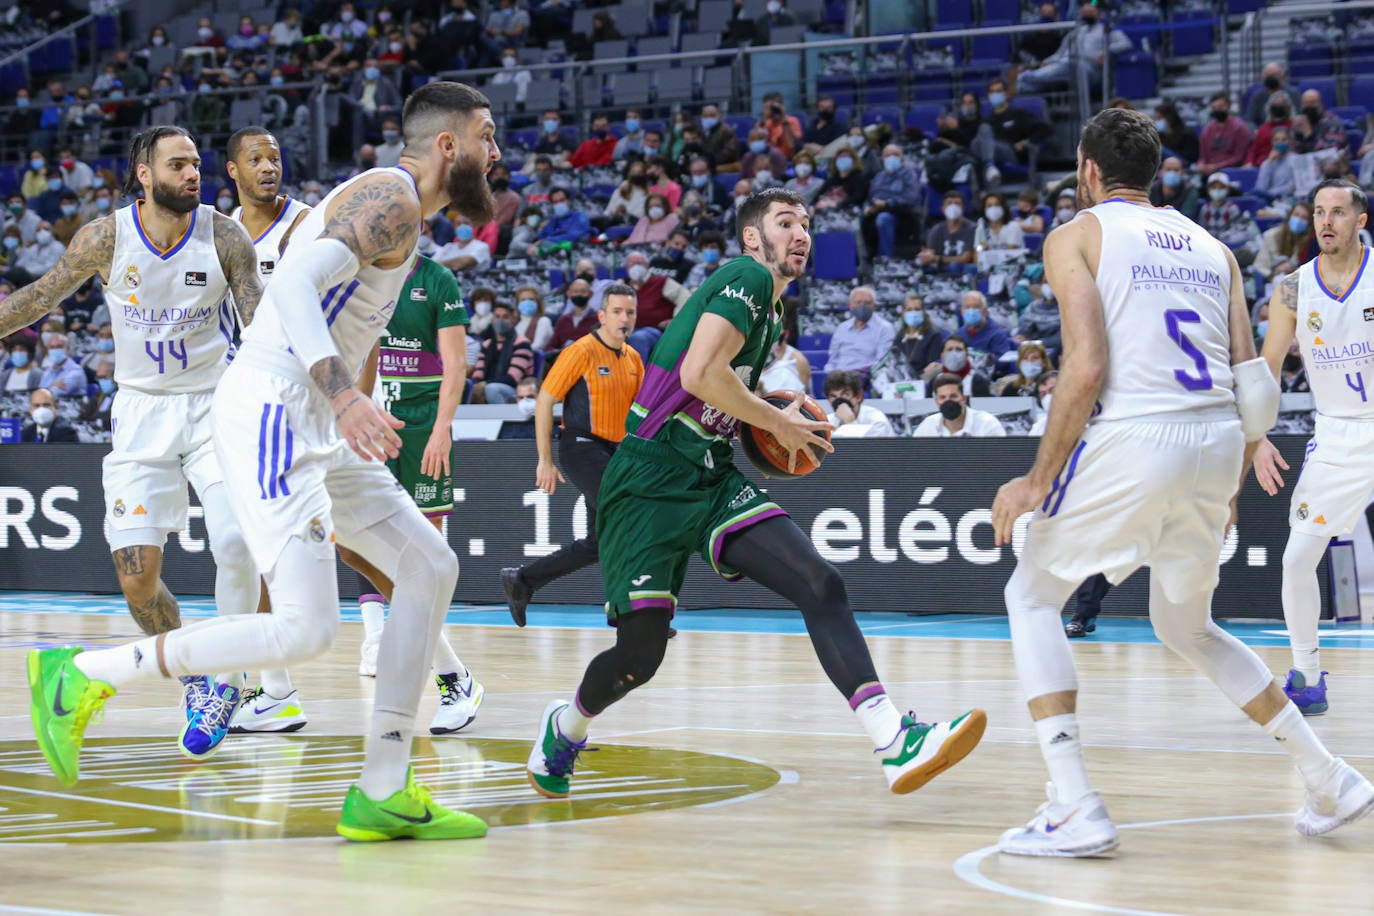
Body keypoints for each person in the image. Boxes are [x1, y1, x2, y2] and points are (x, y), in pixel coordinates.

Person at [24, 82, 500, 842]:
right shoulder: (392, 195)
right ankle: (81, 677)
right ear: (450, 145)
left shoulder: (398, 211)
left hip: (305, 411)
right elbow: (300, 290)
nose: (496, 154)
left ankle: (383, 787)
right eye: (486, 137)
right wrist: (344, 397)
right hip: (281, 402)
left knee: (430, 566)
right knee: (307, 630)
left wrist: (338, 403)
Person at [989, 109, 1369, 857]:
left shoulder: (1077, 234)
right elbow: (1253, 384)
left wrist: (1036, 479)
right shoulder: (1212, 246)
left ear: (1087, 171)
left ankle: (1073, 805)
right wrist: (1225, 483)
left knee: (1030, 593)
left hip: (1140, 431)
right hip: (1217, 438)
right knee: (1185, 625)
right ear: (1156, 173)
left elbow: (1086, 365)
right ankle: (1327, 777)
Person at [524, 188, 987, 799]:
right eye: (785, 222)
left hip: (710, 476)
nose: (801, 233)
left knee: (821, 584)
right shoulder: (744, 277)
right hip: (647, 481)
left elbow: (715, 393)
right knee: (639, 658)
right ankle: (566, 726)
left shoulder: (772, 314)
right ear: (752, 236)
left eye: (807, 225)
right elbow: (697, 375)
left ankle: (893, 738)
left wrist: (763, 421)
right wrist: (777, 423)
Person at [3, 125, 265, 762]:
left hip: (213, 406)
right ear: (143, 174)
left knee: (235, 541)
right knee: (139, 584)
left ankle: (225, 682)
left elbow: (259, 324)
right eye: (177, 164)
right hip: (140, 412)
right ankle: (197, 673)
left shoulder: (223, 233)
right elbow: (39, 297)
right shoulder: (104, 237)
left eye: (197, 163)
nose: (193, 173)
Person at [345, 253, 484, 736]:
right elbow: (367, 353)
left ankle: (446, 671)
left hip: (423, 421)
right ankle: (377, 636)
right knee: (357, 537)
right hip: (377, 418)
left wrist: (444, 428)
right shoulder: (363, 276)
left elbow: (456, 362)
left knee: (426, 549)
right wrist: (356, 412)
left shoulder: (436, 280)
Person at [1251, 180, 1372, 717]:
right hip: (1339, 434)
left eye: (1338, 212)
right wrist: (1256, 438)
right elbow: (1267, 369)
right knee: (1298, 559)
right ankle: (1306, 674)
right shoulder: (1292, 289)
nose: (1326, 221)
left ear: (1360, 221)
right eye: (1319, 211)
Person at [502, 285, 644, 623]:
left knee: (597, 543)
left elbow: (641, 415)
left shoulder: (635, 358)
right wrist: (544, 459)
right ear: (601, 316)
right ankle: (625, 610)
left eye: (630, 312)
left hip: (617, 452)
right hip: (581, 446)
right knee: (624, 512)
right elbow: (545, 401)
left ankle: (522, 580)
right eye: (617, 312)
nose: (624, 318)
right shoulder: (580, 351)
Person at [827, 286, 895, 379]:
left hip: (865, 379)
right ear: (850, 306)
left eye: (867, 303)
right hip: (839, 379)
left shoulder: (885, 328)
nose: (862, 306)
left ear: (874, 306)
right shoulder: (842, 328)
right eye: (858, 302)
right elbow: (833, 360)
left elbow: (881, 363)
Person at [913, 374, 1006, 437]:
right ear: (937, 401)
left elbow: (1000, 460)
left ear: (964, 398)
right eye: (942, 397)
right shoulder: (928, 425)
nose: (948, 401)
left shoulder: (986, 423)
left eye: (953, 396)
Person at [1253, 201, 1313, 284]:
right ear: (1289, 216)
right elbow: (1260, 266)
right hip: (1271, 282)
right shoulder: (1271, 236)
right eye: (1296, 215)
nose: (1298, 220)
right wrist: (1273, 277)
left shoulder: (1310, 242)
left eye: (1304, 218)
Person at [824, 370, 894, 438]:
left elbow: (867, 448)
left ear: (858, 396)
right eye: (833, 396)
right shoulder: (826, 422)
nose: (839, 401)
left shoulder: (877, 421)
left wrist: (849, 423)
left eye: (845, 394)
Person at [1197, 91, 1252, 175]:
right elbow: (1203, 157)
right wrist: (1201, 165)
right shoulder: (1207, 129)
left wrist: (1217, 166)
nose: (1218, 110)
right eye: (1214, 107)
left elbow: (1239, 158)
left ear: (1229, 106)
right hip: (1209, 171)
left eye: (1221, 106)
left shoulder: (1240, 128)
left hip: (1231, 171)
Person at [918, 191, 977, 269]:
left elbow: (965, 258)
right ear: (942, 209)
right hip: (941, 267)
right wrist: (925, 256)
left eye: (957, 203)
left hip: (962, 268)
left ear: (963, 208)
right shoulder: (936, 229)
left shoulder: (972, 228)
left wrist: (937, 258)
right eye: (949, 203)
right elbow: (930, 254)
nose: (953, 207)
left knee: (956, 266)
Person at [895, 294, 945, 380]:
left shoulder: (933, 336)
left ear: (923, 312)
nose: (913, 313)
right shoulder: (899, 338)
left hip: (925, 381)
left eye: (917, 309)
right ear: (903, 313)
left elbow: (932, 368)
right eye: (909, 310)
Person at [37, 332, 86, 398]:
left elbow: (52, 395)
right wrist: (52, 386)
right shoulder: (47, 372)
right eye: (52, 347)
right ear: (48, 351)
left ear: (67, 349)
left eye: (59, 346)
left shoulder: (76, 371)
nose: (55, 350)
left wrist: (47, 389)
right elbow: (39, 394)